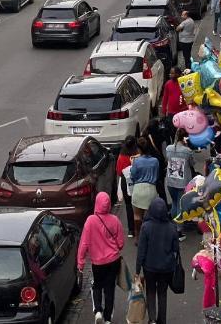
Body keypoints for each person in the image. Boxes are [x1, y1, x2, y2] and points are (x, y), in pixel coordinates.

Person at [77, 192, 124, 324]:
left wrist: (80, 263)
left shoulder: (90, 221)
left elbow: (84, 244)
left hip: (97, 263)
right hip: (113, 261)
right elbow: (120, 243)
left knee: (97, 286)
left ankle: (98, 310)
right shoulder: (115, 220)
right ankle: (108, 318)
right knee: (110, 289)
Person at [135, 197, 180, 324]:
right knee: (162, 293)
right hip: (167, 267)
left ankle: (152, 319)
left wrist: (138, 269)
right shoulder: (172, 227)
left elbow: (141, 250)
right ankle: (162, 320)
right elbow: (176, 248)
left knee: (150, 291)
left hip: (150, 267)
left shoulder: (146, 227)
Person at [165, 128, 195, 238]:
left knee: (174, 203)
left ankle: (173, 226)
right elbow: (192, 163)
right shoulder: (187, 151)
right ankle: (178, 230)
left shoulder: (169, 149)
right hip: (183, 182)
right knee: (180, 206)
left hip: (170, 181)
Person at [130, 138, 159, 241]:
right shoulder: (155, 161)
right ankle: (150, 237)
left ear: (139, 149)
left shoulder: (136, 161)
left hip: (138, 188)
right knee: (151, 217)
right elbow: (157, 175)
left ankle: (138, 236)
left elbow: (132, 175)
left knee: (137, 216)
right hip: (151, 189)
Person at [116, 136, 138, 238]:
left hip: (126, 182)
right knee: (138, 205)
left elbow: (119, 171)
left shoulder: (121, 155)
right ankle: (139, 227)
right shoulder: (137, 155)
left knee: (128, 205)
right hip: (137, 181)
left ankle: (131, 230)